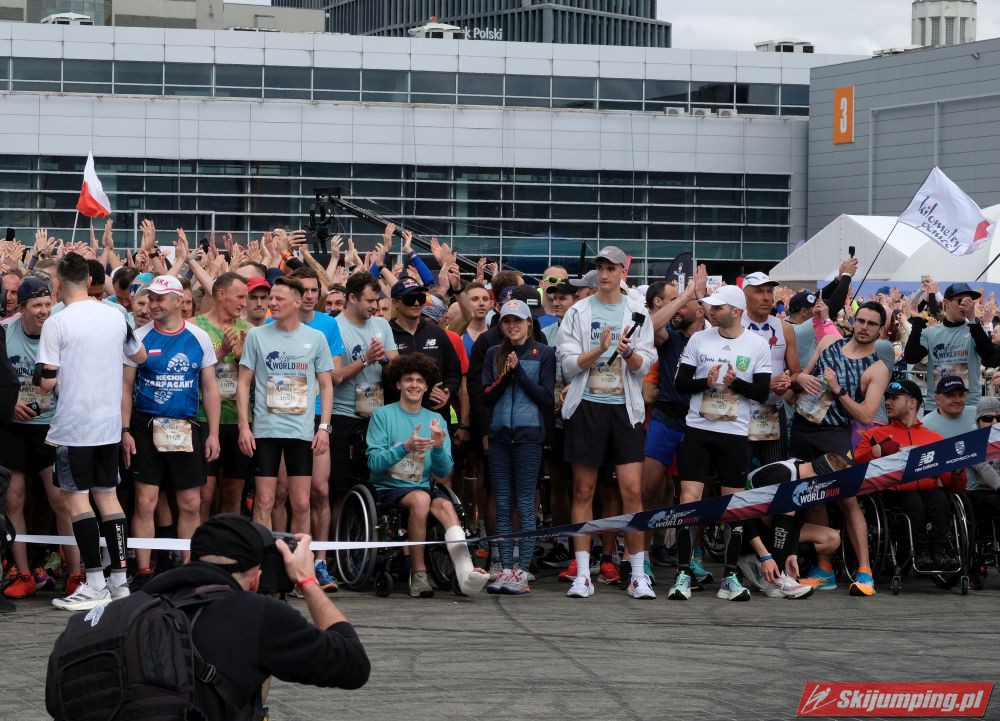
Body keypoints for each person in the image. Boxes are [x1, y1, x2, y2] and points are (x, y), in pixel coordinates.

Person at [124, 514, 370, 720]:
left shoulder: (130, 608)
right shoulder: (258, 615)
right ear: (255, 579)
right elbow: (354, 664)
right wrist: (307, 581)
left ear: (188, 559)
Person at [36, 252, 147, 611]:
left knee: (77, 501)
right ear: (88, 280)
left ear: (57, 284)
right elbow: (140, 356)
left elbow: (46, 381)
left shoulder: (57, 322)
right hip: (108, 424)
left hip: (74, 425)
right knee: (108, 498)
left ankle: (96, 582)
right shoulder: (115, 316)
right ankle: (119, 582)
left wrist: (41, 381)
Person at [556, 246, 655, 600]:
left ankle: (638, 574)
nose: (604, 274)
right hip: (587, 407)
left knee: (632, 491)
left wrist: (627, 352)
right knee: (583, 490)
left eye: (611, 268)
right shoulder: (579, 311)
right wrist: (599, 350)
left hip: (624, 410)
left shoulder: (638, 312)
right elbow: (567, 364)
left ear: (622, 272)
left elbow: (646, 364)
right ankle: (583, 573)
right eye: (600, 267)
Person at [669, 284, 772, 602]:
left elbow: (762, 392)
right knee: (689, 501)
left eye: (717, 307)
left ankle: (729, 577)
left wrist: (735, 383)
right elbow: (680, 383)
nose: (710, 311)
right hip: (698, 430)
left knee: (734, 506)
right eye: (709, 307)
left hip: (735, 434)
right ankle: (683, 574)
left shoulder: (757, 344)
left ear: (736, 311)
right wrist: (708, 381)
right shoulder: (699, 339)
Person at [122, 275, 221, 590]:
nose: (153, 304)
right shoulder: (139, 337)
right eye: (150, 298)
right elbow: (125, 387)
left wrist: (214, 433)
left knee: (190, 503)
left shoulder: (199, 337)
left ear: (180, 301)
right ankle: (143, 572)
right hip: (145, 424)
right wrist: (125, 430)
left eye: (160, 299)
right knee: (145, 501)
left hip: (184, 425)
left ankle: (188, 571)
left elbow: (210, 388)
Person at [366, 353, 489, 598]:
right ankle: (419, 573)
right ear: (398, 384)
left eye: (420, 381)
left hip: (423, 486)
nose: (414, 385)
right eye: (408, 379)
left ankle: (464, 571)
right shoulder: (383, 415)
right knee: (421, 499)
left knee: (446, 505)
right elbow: (374, 463)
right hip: (388, 488)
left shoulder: (436, 420)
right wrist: (405, 448)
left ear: (426, 387)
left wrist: (439, 447)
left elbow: (443, 471)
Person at [790, 301, 890, 596]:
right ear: (853, 320)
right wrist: (798, 378)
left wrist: (838, 390)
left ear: (881, 329)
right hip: (802, 427)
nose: (864, 327)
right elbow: (802, 378)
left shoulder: (877, 368)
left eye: (872, 324)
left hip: (834, 435)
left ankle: (865, 571)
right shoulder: (828, 344)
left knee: (848, 499)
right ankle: (824, 569)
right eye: (861, 320)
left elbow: (866, 416)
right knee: (812, 497)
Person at [236, 277, 334, 540]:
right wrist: (244, 426)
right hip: (265, 431)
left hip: (301, 432)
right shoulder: (257, 335)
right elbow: (243, 382)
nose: (272, 303)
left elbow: (326, 385)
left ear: (297, 302)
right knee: (265, 500)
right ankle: (264, 560)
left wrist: (324, 427)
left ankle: (299, 561)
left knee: (301, 503)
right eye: (272, 298)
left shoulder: (316, 338)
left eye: (279, 298)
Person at [1, 278, 80, 600]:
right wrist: (8, 404)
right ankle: (22, 572)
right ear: (21, 308)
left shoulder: (60, 331)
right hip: (14, 426)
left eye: (48, 304)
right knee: (13, 499)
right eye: (37, 306)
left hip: (51, 425)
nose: (45, 311)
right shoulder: (5, 332)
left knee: (61, 500)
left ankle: (76, 573)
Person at [483, 299, 555, 595]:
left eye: (517, 320)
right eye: (507, 321)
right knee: (502, 504)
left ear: (529, 323)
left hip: (528, 438)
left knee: (525, 504)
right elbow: (486, 395)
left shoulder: (545, 353)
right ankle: (503, 568)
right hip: (499, 437)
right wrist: (506, 373)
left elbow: (546, 398)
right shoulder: (493, 353)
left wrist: (519, 372)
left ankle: (522, 571)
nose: (512, 326)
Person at [855, 379, 966, 571]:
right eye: (887, 398)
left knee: (940, 497)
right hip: (891, 495)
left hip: (927, 493)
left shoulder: (935, 438)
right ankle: (921, 552)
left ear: (912, 403)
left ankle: (939, 553)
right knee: (912, 499)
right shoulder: (875, 434)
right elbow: (855, 468)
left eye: (894, 398)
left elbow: (953, 486)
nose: (887, 402)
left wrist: (957, 471)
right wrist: (876, 452)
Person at [640, 270, 707, 578]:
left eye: (684, 304)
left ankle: (692, 557)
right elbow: (650, 327)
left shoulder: (711, 340)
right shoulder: (670, 337)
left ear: (701, 309)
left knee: (693, 495)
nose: (677, 309)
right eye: (675, 302)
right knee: (648, 490)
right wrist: (686, 295)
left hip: (698, 424)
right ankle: (641, 558)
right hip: (665, 419)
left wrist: (699, 296)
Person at [282, 267, 346, 590]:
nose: (308, 296)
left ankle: (319, 562)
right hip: (284, 417)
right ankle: (285, 560)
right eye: (303, 290)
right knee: (283, 494)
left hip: (318, 416)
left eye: (313, 290)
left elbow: (335, 375)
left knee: (320, 490)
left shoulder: (327, 325)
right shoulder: (277, 324)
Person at [193, 272, 252, 520]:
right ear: (220, 295)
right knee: (204, 494)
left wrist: (241, 356)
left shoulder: (249, 331)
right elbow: (189, 371)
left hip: (238, 420)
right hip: (203, 418)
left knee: (233, 493)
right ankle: (200, 543)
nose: (244, 303)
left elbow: (257, 382)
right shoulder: (195, 327)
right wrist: (222, 351)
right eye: (240, 297)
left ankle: (229, 542)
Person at [904, 282, 997, 417]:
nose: (966, 305)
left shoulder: (976, 331)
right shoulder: (930, 333)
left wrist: (972, 320)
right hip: (936, 408)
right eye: (961, 301)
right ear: (946, 303)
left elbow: (991, 359)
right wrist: (917, 321)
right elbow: (911, 357)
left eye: (970, 302)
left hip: (968, 407)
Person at [740, 272, 800, 463]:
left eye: (769, 291)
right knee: (738, 471)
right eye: (759, 291)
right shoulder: (733, 326)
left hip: (773, 409)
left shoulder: (785, 328)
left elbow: (795, 372)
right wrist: (765, 385)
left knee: (775, 471)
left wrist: (787, 381)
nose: (766, 297)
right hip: (741, 411)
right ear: (745, 296)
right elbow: (725, 375)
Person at [386, 278, 462, 413]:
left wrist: (447, 391)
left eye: (421, 298)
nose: (416, 303)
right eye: (410, 299)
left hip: (435, 413)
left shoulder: (437, 333)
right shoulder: (387, 333)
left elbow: (454, 371)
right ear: (395, 302)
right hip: (397, 414)